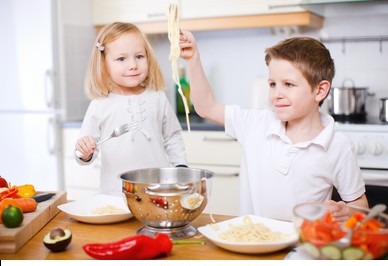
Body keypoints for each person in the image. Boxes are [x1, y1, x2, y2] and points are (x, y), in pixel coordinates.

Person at [179, 31, 368, 222]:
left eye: (288, 84)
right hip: (249, 242)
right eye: (272, 84)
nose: (276, 94)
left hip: (302, 248)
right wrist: (193, 59)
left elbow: (359, 206)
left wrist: (348, 211)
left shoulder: (339, 146)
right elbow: (206, 108)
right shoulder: (256, 123)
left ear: (320, 90)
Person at [75, 22, 187, 196]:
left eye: (140, 56)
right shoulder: (100, 104)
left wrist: (180, 167)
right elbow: (85, 152)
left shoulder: (157, 96)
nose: (133, 65)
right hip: (116, 195)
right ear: (104, 63)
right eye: (122, 59)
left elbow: (172, 135)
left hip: (158, 191)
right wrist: (84, 151)